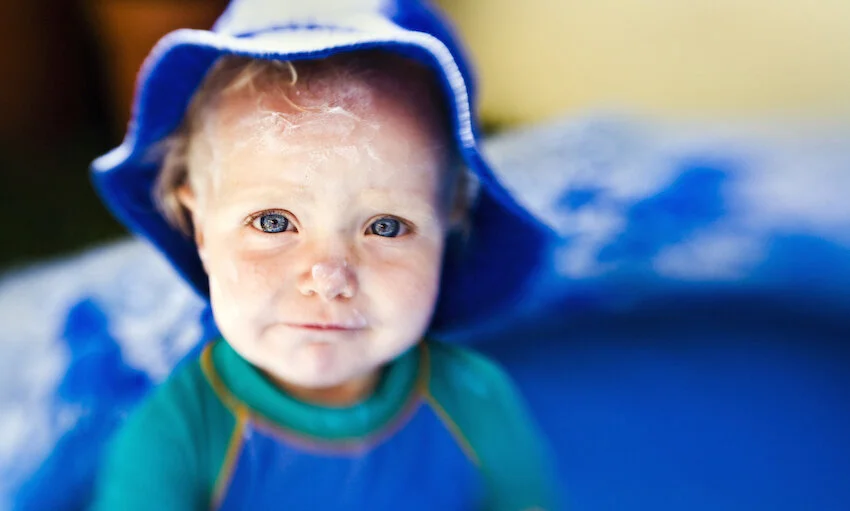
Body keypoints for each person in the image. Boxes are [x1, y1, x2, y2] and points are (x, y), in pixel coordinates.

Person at [89, 0, 560, 509]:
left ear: (450, 224)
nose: (329, 278)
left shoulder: (477, 401)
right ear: (198, 225)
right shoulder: (177, 435)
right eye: (273, 223)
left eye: (386, 226)